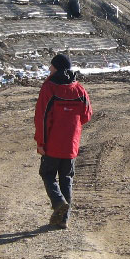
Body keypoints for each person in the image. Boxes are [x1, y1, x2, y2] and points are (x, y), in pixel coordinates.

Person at [34, 54, 92, 228]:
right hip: (71, 145)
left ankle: (59, 203)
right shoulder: (79, 89)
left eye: (51, 66)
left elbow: (42, 119)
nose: (49, 69)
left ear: (57, 68)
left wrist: (40, 143)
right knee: (66, 179)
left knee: (47, 174)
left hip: (52, 144)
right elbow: (87, 115)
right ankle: (63, 220)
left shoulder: (49, 88)